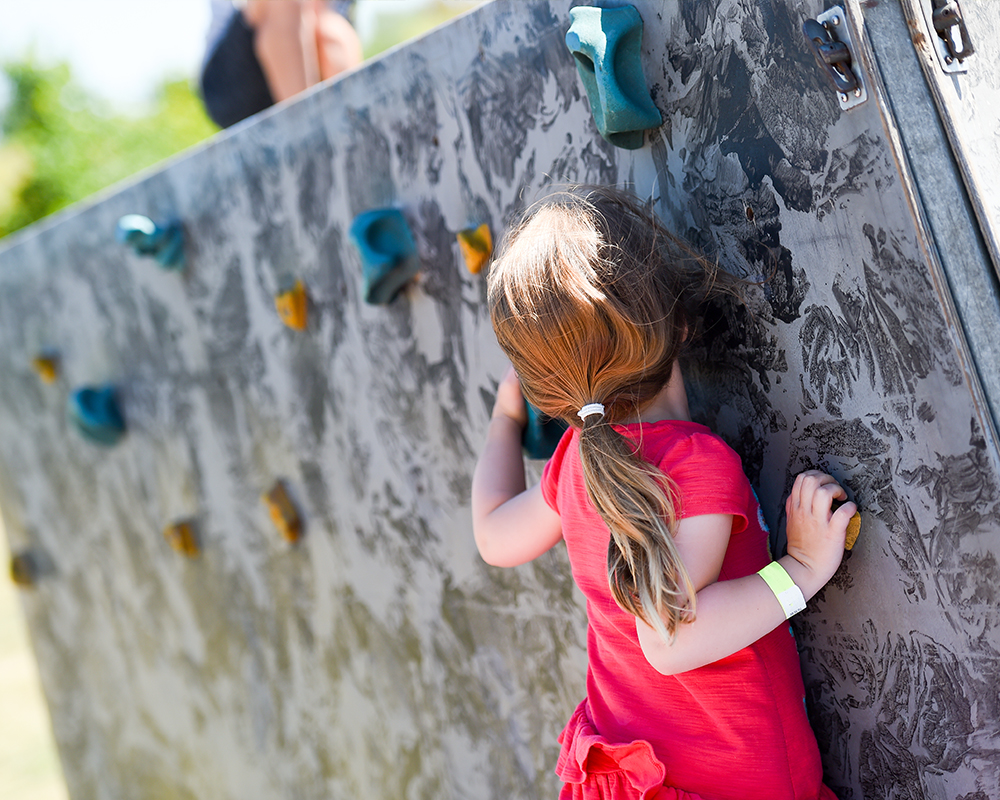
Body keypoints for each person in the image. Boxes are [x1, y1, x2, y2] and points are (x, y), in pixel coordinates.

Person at [471, 185, 856, 800]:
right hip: (735, 781)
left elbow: (493, 533)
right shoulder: (696, 464)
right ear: (678, 323)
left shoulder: (575, 463)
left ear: (551, 392)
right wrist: (802, 570)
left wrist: (503, 420)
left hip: (636, 775)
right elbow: (673, 641)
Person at [200, 0, 363, 129]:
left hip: (311, 59)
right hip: (231, 79)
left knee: (334, 32)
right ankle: (307, 131)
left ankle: (352, 131)